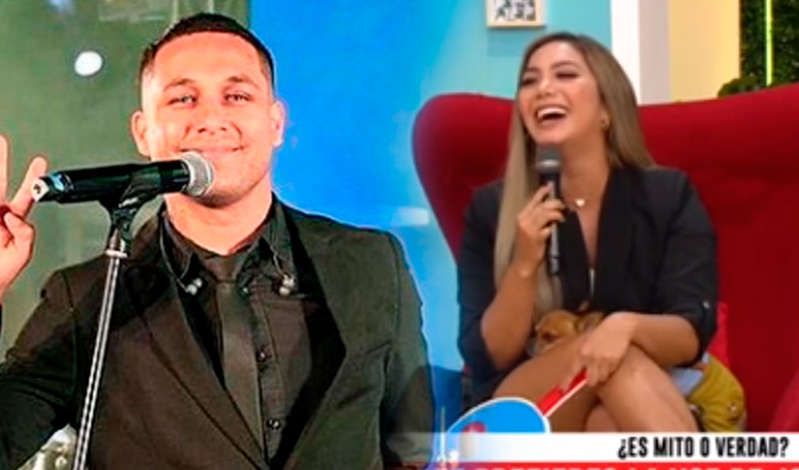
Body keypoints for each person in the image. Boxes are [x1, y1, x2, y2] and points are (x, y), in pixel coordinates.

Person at [0, 13, 433, 469]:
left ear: (276, 123)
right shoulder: (88, 297)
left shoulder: (370, 263)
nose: (210, 118)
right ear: (143, 132)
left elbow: (411, 447)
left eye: (236, 96)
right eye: (183, 98)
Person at [457, 32, 743, 431]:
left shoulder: (666, 197)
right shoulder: (492, 209)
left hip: (643, 394)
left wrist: (625, 327)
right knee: (608, 355)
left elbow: (690, 333)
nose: (544, 89)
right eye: (530, 81)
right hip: (520, 409)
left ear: (607, 106)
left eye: (564, 74)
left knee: (605, 421)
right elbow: (490, 357)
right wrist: (523, 264)